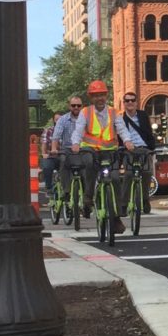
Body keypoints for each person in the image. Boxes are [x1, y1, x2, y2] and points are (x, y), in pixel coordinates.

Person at [69, 79, 139, 231]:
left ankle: (116, 217)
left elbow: (121, 129)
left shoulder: (114, 112)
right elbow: (79, 130)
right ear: (91, 98)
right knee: (89, 165)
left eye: (102, 95)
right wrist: (75, 143)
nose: (99, 98)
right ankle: (88, 197)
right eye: (95, 95)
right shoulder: (85, 112)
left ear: (106, 96)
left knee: (114, 178)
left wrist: (127, 142)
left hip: (109, 151)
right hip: (90, 150)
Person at [119, 91, 158, 214]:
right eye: (127, 101)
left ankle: (145, 199)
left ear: (136, 103)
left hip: (144, 148)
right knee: (128, 175)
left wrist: (152, 148)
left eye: (132, 100)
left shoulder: (143, 115)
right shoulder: (120, 119)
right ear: (124, 103)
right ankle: (124, 204)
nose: (130, 102)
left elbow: (148, 133)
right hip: (128, 149)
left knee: (147, 173)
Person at [43, 94, 82, 207]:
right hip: (67, 150)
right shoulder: (63, 120)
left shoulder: (86, 118)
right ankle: (66, 191)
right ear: (69, 106)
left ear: (81, 106)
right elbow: (56, 137)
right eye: (73, 105)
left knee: (89, 165)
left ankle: (88, 195)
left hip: (83, 149)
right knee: (64, 162)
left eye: (78, 105)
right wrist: (54, 148)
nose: (76, 107)